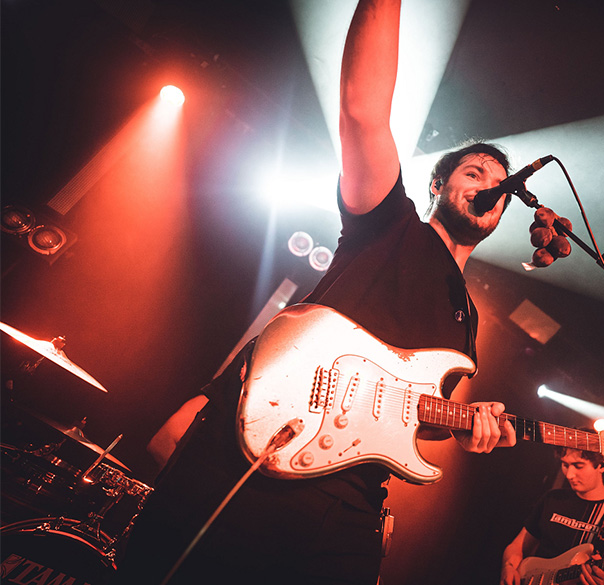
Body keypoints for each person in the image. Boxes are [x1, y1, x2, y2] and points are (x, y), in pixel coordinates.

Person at [114, 0, 520, 583]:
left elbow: (416, 414)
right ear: (439, 183)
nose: (489, 187)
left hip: (349, 504)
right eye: (475, 172)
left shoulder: (467, 319)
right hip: (261, 455)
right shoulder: (391, 224)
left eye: (499, 185)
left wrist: (465, 424)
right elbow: (362, 110)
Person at [500, 445, 604, 585]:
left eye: (578, 466)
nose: (569, 475)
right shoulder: (553, 499)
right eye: (565, 465)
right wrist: (509, 566)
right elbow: (518, 546)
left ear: (601, 466)